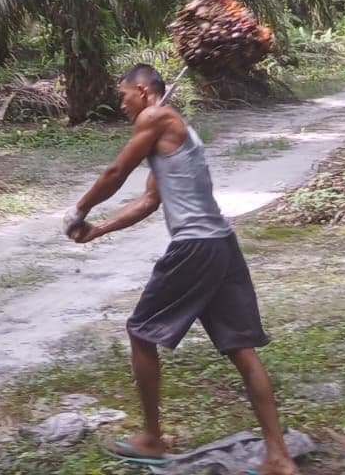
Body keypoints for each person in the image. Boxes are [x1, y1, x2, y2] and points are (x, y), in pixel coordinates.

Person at [62, 63, 298, 474]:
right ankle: (278, 456)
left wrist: (78, 210)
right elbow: (150, 200)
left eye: (124, 96)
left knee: (140, 332)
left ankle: (152, 439)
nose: (122, 104)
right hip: (221, 244)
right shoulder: (174, 128)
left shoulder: (156, 117)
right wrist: (99, 229)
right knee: (240, 349)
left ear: (143, 91)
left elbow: (116, 172)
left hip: (195, 246)